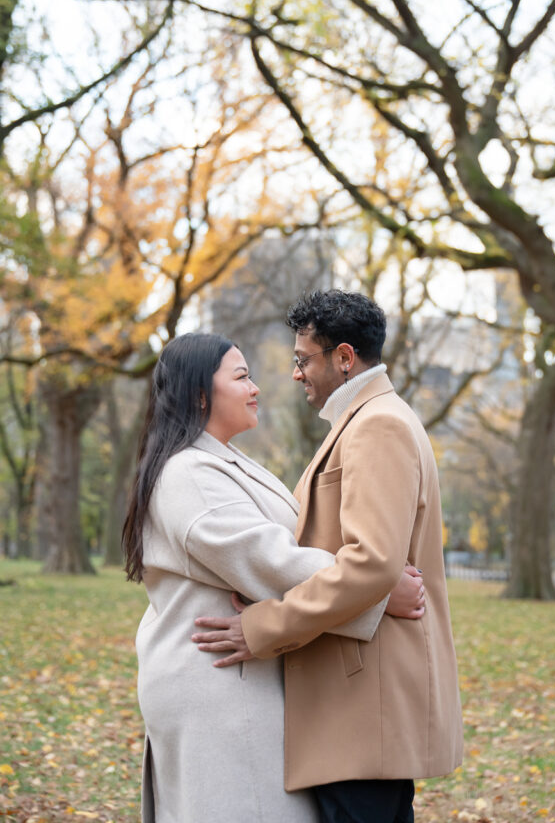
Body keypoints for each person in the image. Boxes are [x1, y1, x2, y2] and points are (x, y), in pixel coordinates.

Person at [122, 332, 424, 823]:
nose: (257, 387)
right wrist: (378, 588)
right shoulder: (189, 474)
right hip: (220, 686)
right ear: (200, 394)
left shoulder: (221, 461)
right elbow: (269, 559)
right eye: (241, 377)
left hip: (242, 678)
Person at [194, 290, 464, 823]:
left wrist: (264, 626)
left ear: (344, 358)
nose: (296, 373)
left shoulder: (376, 425)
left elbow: (371, 564)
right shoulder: (363, 421)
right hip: (357, 705)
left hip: (364, 703)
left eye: (303, 360)